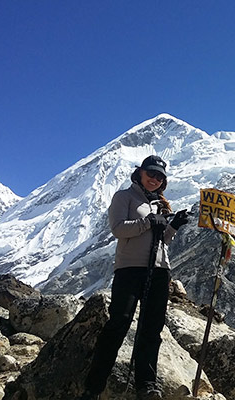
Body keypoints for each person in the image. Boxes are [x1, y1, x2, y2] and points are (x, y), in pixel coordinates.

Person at [79, 155, 189, 400]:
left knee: (152, 329)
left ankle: (147, 386)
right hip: (129, 269)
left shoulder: (161, 203)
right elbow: (118, 229)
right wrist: (148, 221)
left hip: (160, 270)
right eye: (151, 174)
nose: (155, 179)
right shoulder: (124, 197)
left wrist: (174, 226)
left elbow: (163, 241)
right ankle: (93, 388)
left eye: (159, 176)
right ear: (140, 173)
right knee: (118, 324)